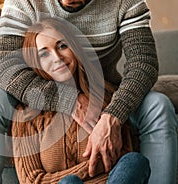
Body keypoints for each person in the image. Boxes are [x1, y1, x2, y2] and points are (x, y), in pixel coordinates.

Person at [0, 0, 178, 183]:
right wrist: (68, 99)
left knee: (158, 104)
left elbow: (143, 63)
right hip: (35, 93)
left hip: (104, 92)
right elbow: (0, 69)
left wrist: (113, 116)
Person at [11, 17, 151, 184]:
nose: (57, 57)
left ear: (74, 48)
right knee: (69, 183)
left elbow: (120, 160)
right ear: (35, 63)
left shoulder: (106, 99)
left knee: (134, 162)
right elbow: (31, 180)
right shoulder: (26, 115)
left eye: (62, 46)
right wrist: (87, 170)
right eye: (44, 53)